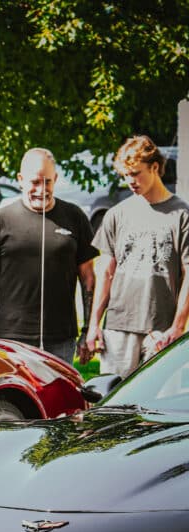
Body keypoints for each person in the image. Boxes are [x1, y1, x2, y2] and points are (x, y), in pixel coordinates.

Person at [0, 147, 98, 364]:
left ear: (56, 179)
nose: (41, 190)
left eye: (48, 182)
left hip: (61, 339)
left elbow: (88, 279)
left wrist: (88, 329)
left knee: (59, 397)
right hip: (12, 338)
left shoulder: (74, 217)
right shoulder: (1, 220)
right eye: (35, 182)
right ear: (20, 180)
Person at [86, 135, 189, 378]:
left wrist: (178, 325)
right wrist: (93, 325)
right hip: (118, 326)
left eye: (135, 173)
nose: (130, 181)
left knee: (154, 409)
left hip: (161, 329)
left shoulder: (181, 215)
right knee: (113, 406)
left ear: (155, 167)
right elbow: (105, 272)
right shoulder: (117, 214)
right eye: (125, 175)